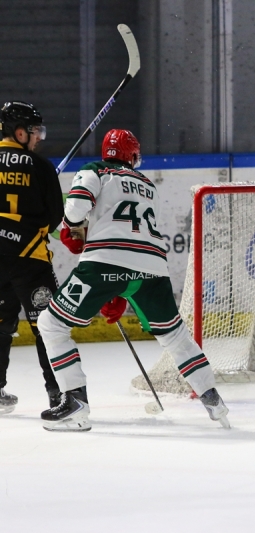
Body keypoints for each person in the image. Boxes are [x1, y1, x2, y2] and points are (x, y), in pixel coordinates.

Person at [36, 129, 229, 431]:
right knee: (175, 337)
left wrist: (71, 227)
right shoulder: (147, 183)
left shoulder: (94, 170)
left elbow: (75, 210)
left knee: (51, 324)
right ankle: (213, 400)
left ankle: (75, 402)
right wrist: (121, 289)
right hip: (154, 269)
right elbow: (127, 233)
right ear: (132, 155)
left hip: (104, 264)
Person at [0, 101, 62, 413]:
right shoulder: (42, 167)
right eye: (35, 131)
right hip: (31, 260)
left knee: (0, 323)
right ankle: (58, 394)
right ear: (20, 131)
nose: (39, 137)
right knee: (47, 326)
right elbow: (55, 218)